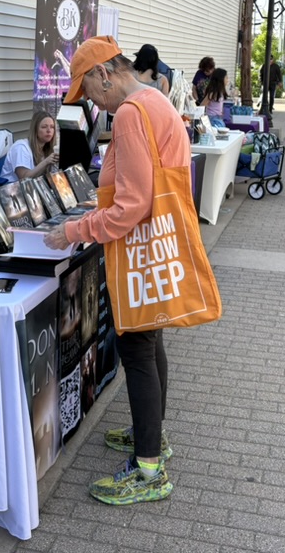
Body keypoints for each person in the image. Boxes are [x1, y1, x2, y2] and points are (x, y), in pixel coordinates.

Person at [42, 35, 184, 505]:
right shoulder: (154, 100)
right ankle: (151, 436)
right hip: (156, 245)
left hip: (139, 249)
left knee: (137, 351)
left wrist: (74, 230)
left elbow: (133, 205)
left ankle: (149, 469)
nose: (90, 103)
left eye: (87, 91)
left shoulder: (128, 112)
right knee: (150, 344)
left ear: (104, 74)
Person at [1, 110, 60, 183]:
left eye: (52, 127)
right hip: (10, 187)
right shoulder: (21, 147)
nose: (49, 130)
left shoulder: (47, 149)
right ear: (35, 129)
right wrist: (46, 161)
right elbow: (24, 178)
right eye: (44, 127)